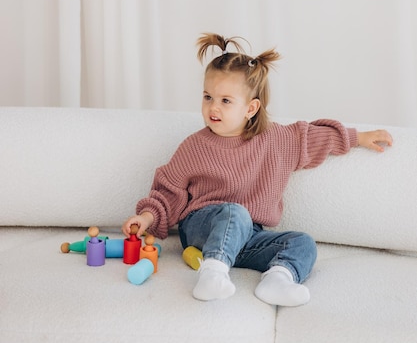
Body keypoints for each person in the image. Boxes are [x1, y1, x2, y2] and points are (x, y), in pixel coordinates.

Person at [122, 33, 393, 305]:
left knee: (303, 243)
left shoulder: (276, 140)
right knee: (234, 213)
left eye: (225, 101)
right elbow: (168, 190)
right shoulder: (195, 146)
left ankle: (278, 279)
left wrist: (358, 137)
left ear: (251, 108)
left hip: (247, 237)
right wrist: (146, 218)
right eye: (208, 97)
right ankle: (213, 274)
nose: (213, 107)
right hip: (202, 228)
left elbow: (313, 137)